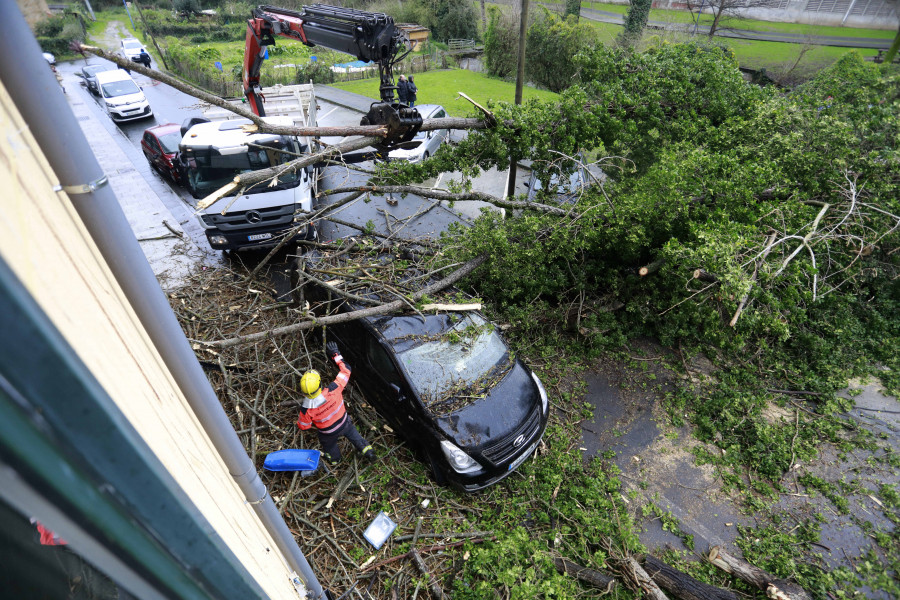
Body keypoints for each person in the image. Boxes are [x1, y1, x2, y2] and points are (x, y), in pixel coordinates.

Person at [297, 341, 376, 465]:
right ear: (319, 384)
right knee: (356, 437)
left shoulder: (306, 409)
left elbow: (303, 426)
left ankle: (335, 460)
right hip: (345, 423)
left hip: (328, 433)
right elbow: (346, 371)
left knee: (329, 446)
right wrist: (336, 354)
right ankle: (368, 452)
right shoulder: (334, 389)